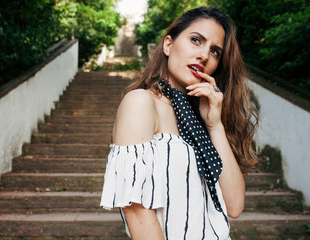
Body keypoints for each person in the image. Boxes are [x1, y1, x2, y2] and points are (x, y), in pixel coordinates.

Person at [100, 7, 258, 240]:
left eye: (215, 51)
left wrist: (215, 126)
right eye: (196, 40)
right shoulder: (141, 103)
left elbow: (234, 206)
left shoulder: (200, 119)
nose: (204, 55)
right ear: (168, 45)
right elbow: (136, 211)